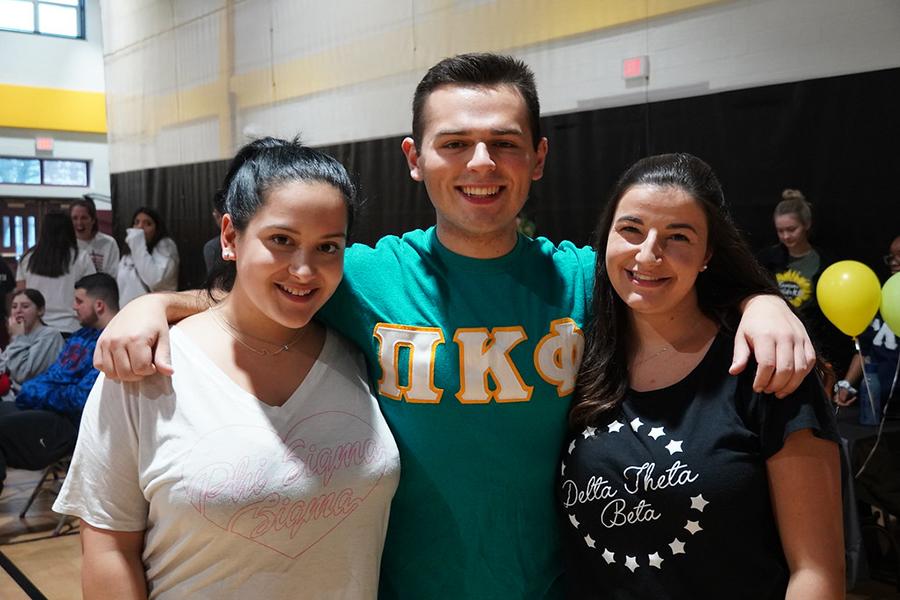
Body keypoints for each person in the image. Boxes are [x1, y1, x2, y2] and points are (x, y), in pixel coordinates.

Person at [94, 54, 815, 598]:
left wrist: (760, 302)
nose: (481, 164)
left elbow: (674, 276)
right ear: (414, 159)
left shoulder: (585, 278)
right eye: (454, 143)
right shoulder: (365, 276)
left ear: (537, 158)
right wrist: (153, 305)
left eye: (504, 144)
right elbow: (261, 293)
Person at [54, 138, 400, 599]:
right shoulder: (148, 367)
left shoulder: (360, 351)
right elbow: (108, 547)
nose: (304, 270)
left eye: (328, 247)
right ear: (230, 237)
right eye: (281, 240)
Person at [561, 154, 843, 598]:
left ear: (708, 253)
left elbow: (816, 574)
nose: (649, 254)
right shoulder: (576, 357)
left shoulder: (764, 366)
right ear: (606, 238)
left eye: (678, 237)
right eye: (631, 230)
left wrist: (762, 302)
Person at [0, 273, 118, 497]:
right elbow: (48, 380)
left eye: (79, 301)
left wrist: (36, 391)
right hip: (45, 409)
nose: (73, 307)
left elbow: (80, 399)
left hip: (71, 425)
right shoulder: (80, 336)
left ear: (99, 305)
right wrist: (36, 391)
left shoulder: (112, 342)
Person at [758, 189, 852, 375]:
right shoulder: (767, 259)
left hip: (815, 345)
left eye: (791, 229)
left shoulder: (825, 263)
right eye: (780, 231)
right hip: (776, 343)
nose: (786, 236)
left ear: (807, 224)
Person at [834, 235, 900, 416]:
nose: (894, 262)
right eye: (891, 257)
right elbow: (864, 350)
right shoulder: (880, 298)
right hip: (875, 405)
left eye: (899, 255)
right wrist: (846, 384)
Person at [16, 212, 96, 333]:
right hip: (71, 327)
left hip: (36, 328)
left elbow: (21, 293)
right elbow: (91, 293)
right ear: (69, 229)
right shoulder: (81, 257)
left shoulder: (27, 258)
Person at [0, 289, 65, 393]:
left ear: (40, 311)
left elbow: (23, 375)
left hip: (32, 398)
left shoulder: (50, 335)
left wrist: (18, 338)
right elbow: (4, 365)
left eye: (25, 306)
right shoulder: (20, 335)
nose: (18, 311)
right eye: (14, 307)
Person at [117, 206, 180, 307]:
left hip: (154, 312)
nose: (140, 227)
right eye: (136, 222)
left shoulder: (166, 246)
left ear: (157, 228)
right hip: (127, 311)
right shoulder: (129, 252)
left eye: (148, 224)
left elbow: (153, 279)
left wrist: (137, 243)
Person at [71, 197, 120, 276]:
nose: (79, 222)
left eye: (84, 218)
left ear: (93, 220)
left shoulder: (109, 243)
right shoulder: (65, 245)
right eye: (74, 218)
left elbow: (113, 275)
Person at [203, 202, 225, 276]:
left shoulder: (212, 247)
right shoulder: (212, 247)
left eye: (217, 215)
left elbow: (215, 284)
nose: (213, 214)